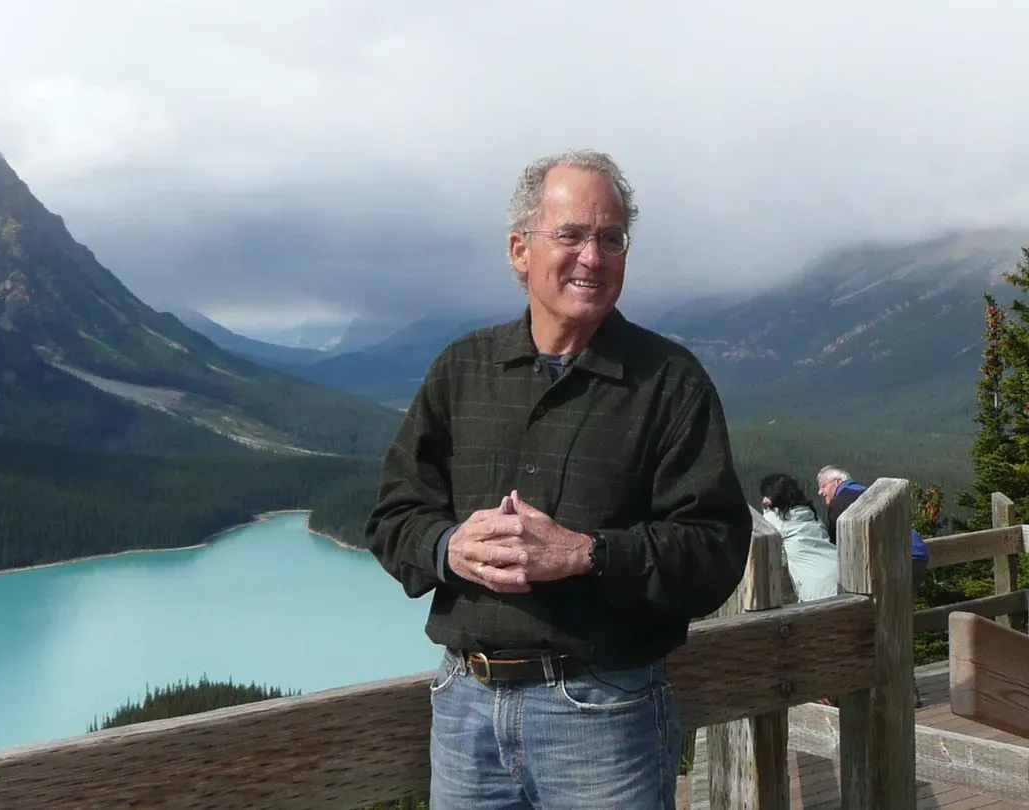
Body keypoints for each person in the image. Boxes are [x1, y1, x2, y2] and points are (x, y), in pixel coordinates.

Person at [364, 149, 754, 810]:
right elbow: (393, 516)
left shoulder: (669, 383)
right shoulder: (463, 371)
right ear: (520, 250)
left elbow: (715, 550)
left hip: (604, 712)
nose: (593, 258)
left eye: (611, 238)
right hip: (464, 707)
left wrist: (583, 554)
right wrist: (448, 547)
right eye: (570, 235)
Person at [815, 465, 929, 596]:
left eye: (823, 486)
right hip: (917, 553)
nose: (820, 492)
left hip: (895, 558)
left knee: (878, 610)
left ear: (838, 482)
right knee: (903, 608)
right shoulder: (866, 492)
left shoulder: (840, 503)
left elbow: (837, 545)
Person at [758, 473, 839, 602]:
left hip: (818, 588)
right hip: (840, 574)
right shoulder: (809, 514)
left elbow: (757, 533)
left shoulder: (775, 520)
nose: (763, 500)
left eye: (766, 495)